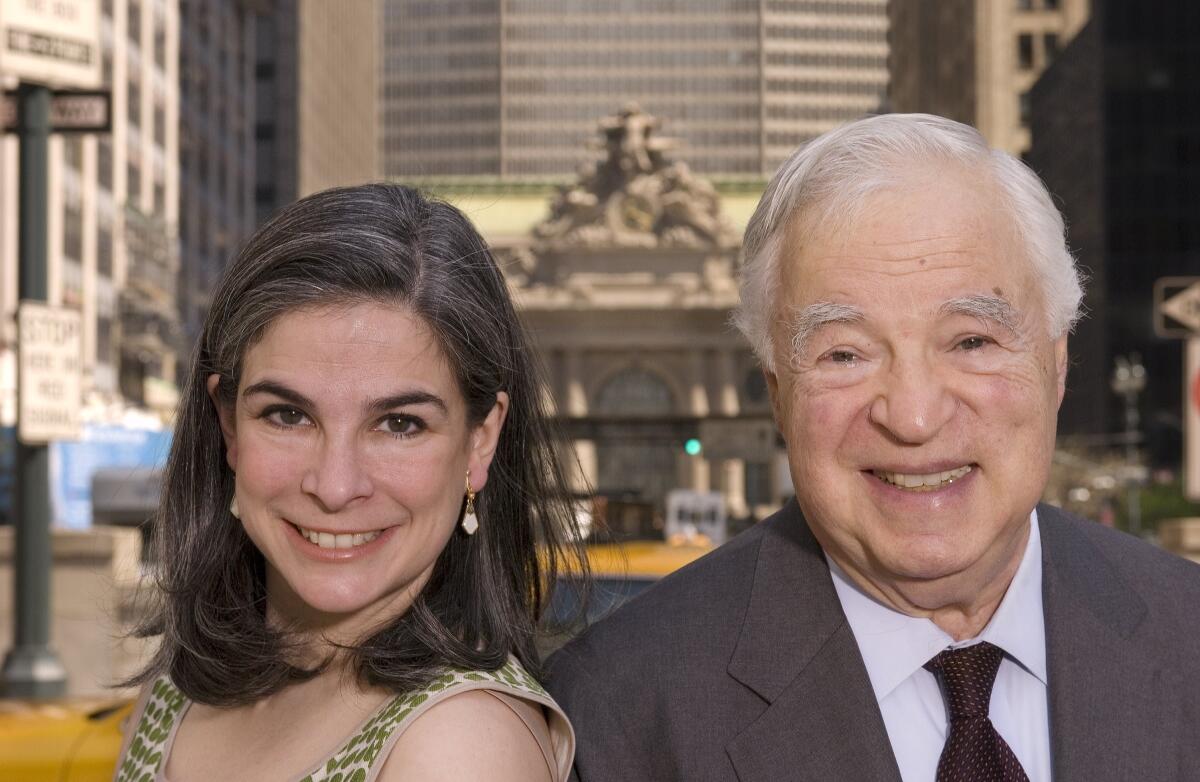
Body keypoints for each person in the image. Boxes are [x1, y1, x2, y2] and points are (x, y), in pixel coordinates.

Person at [547, 114, 1200, 781]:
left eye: (971, 341)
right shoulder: (615, 717)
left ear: (1057, 364)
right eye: (845, 354)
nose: (913, 417)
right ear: (777, 391)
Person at [114, 183, 584, 781]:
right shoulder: (175, 692)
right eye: (288, 415)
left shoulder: (461, 746)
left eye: (398, 424)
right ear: (228, 425)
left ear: (479, 440)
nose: (335, 487)